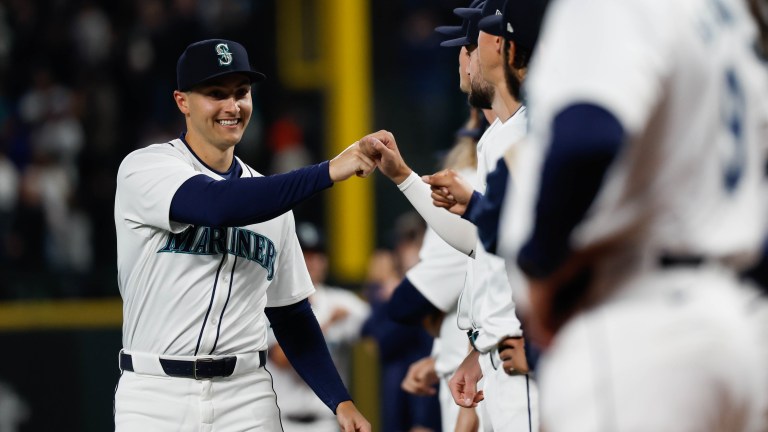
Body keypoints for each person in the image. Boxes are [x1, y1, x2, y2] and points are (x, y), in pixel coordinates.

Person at [510, 0, 768, 430]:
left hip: (636, 321)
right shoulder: (728, 21)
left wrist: (540, 268)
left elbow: (587, 137)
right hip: (733, 322)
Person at [113, 39, 373, 432]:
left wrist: (340, 400)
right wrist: (327, 171)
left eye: (241, 93)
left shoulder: (270, 201)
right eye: (216, 94)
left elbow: (291, 314)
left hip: (246, 395)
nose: (232, 106)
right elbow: (217, 205)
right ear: (182, 101)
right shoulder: (145, 168)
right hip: (155, 392)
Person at [362, 0, 548, 430]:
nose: (463, 58)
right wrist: (478, 352)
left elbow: (545, 246)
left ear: (499, 44)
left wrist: (536, 347)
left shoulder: (529, 133)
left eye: (473, 42)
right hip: (497, 356)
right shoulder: (502, 136)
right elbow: (489, 246)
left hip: (522, 359)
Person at [268, 222, 370, 432]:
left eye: (318, 255)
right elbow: (280, 358)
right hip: (282, 421)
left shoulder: (340, 301)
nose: (313, 262)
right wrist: (327, 323)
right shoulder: (271, 303)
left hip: (326, 421)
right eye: (306, 255)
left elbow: (379, 329)